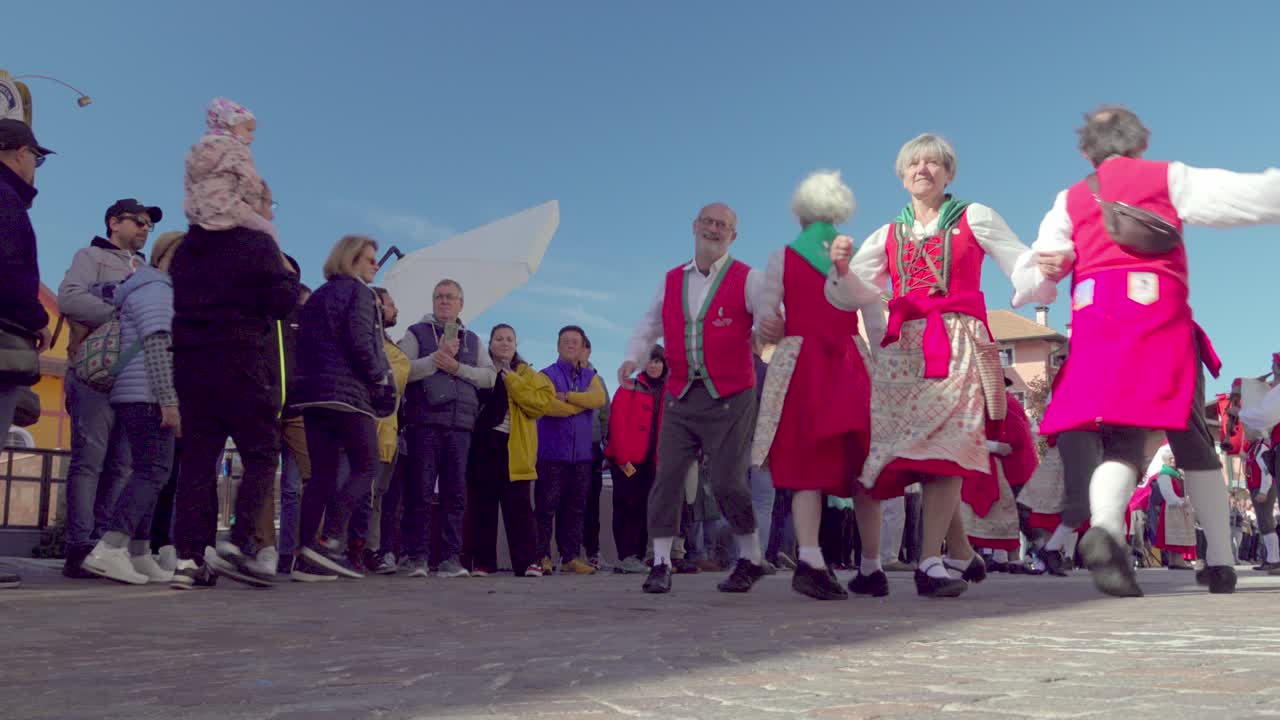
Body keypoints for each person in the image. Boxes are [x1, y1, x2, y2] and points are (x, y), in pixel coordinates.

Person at [1013, 106, 1280, 596]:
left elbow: (1038, 274)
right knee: (1192, 438)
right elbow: (1246, 198)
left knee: (1122, 440)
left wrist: (1045, 275)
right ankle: (1220, 561)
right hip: (1158, 319)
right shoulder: (1166, 177)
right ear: (1141, 142)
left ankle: (1106, 529)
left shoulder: (1070, 198)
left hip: (1096, 323)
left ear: (1085, 151)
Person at [827, 133, 1033, 597]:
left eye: (933, 163)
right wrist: (840, 271)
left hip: (957, 338)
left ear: (949, 173)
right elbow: (853, 292)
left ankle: (930, 562)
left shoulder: (975, 216)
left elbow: (1018, 259)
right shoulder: (887, 234)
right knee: (910, 452)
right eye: (914, 163)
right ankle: (957, 551)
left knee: (949, 445)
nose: (923, 169)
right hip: (903, 351)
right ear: (902, 176)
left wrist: (1040, 272)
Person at [621, 202, 769, 595]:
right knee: (667, 477)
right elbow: (650, 323)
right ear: (695, 226)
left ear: (733, 236)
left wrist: (768, 327)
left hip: (731, 395)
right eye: (709, 221)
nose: (714, 229)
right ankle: (661, 562)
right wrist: (633, 357)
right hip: (682, 393)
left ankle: (751, 557)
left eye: (723, 225)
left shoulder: (748, 278)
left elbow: (769, 313)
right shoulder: (671, 279)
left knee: (727, 481)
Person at [168, 173, 300, 589]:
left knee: (197, 463)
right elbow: (282, 303)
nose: (269, 212)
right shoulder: (257, 243)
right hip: (240, 358)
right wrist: (283, 267)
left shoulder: (187, 248)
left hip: (191, 362)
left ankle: (188, 560)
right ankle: (239, 542)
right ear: (247, 203)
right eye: (268, 204)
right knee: (262, 451)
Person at [752, 170, 878, 600]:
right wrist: (885, 366)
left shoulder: (781, 257)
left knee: (809, 463)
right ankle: (871, 566)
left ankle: (810, 559)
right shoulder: (855, 254)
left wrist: (770, 326)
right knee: (864, 464)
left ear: (799, 213)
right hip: (849, 364)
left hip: (802, 363)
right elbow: (874, 319)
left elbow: (766, 318)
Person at [58, 198, 160, 577]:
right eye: (138, 221)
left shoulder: (147, 269)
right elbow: (70, 297)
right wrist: (122, 313)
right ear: (114, 223)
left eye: (149, 224)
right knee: (89, 461)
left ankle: (104, 548)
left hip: (132, 379)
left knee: (122, 466)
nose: (145, 228)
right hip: (93, 374)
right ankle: (79, 547)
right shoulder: (91, 256)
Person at [81, 232, 185, 584]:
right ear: (166, 255)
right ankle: (110, 548)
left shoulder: (148, 288)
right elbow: (157, 344)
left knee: (151, 471)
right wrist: (168, 399)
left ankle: (138, 552)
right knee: (153, 471)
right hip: (148, 394)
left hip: (137, 392)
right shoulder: (158, 289)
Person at [289, 235, 392, 580]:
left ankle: (305, 556)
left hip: (313, 395)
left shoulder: (317, 296)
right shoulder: (360, 293)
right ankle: (331, 537)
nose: (376, 265)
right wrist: (378, 376)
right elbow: (361, 341)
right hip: (349, 395)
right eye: (370, 259)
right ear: (351, 259)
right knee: (367, 466)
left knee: (321, 475)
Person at [399, 279, 496, 578]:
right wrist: (434, 359)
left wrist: (457, 368)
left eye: (450, 297)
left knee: (455, 495)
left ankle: (450, 559)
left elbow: (490, 377)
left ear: (460, 304)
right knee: (420, 492)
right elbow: (402, 370)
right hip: (424, 423)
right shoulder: (415, 333)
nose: (444, 301)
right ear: (432, 302)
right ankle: (416, 557)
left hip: (460, 427)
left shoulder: (473, 340)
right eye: (439, 296)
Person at [0, 119, 55, 590]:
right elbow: (9, 268)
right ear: (20, 153)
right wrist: (37, 318)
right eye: (36, 157)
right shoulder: (6, 199)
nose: (36, 166)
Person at [465, 324, 554, 577]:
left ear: (516, 345)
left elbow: (540, 404)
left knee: (520, 507)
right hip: (482, 444)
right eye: (499, 339)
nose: (504, 343)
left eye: (509, 339)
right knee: (482, 505)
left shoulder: (528, 374)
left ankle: (527, 562)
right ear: (490, 343)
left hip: (514, 445)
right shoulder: (478, 370)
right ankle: (483, 563)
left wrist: (512, 380)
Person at [535, 325, 607, 575]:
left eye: (575, 341)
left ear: (583, 346)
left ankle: (570, 557)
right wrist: (581, 404)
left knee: (576, 509)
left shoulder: (590, 376)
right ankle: (542, 556)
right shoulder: (545, 375)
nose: (570, 344)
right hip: (551, 454)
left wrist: (567, 397)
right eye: (565, 340)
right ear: (558, 346)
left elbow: (598, 399)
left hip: (582, 456)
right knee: (546, 507)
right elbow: (547, 405)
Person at [606, 345, 667, 574]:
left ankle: (639, 555)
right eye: (649, 361)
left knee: (644, 507)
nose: (653, 366)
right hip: (627, 459)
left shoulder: (668, 390)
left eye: (657, 361)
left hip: (652, 460)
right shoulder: (628, 387)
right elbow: (617, 423)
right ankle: (626, 555)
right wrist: (623, 458)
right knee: (626, 505)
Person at [183, 97, 276, 239]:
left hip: (199, 213)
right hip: (228, 208)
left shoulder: (197, 151)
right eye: (248, 130)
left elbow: (189, 183)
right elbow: (249, 180)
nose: (252, 137)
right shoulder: (237, 148)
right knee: (268, 231)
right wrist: (254, 204)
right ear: (230, 124)